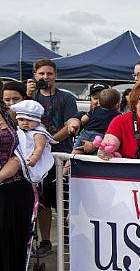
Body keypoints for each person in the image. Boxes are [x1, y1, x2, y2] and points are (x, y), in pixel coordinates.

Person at [27, 59, 78, 255]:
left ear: (55, 75)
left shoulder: (66, 98)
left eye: (49, 74)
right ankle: (46, 240)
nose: (45, 77)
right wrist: (28, 95)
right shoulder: (31, 99)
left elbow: (69, 125)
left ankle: (66, 234)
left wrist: (48, 141)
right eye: (41, 74)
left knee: (64, 200)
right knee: (42, 202)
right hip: (37, 159)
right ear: (35, 75)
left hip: (60, 156)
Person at [0, 99, 34, 271]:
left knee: (10, 251)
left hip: (15, 191)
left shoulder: (8, 112)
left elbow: (27, 143)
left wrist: (16, 161)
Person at [0, 100, 56, 184]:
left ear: (37, 121)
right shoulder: (18, 129)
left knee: (14, 162)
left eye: (29, 120)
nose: (25, 123)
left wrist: (34, 158)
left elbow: (39, 148)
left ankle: (1, 177)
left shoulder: (39, 133)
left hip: (29, 157)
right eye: (21, 120)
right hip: (17, 155)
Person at [73, 89, 121, 154]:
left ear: (99, 102)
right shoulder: (117, 115)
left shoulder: (95, 109)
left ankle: (70, 161)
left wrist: (84, 125)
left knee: (76, 151)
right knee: (96, 155)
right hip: (99, 137)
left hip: (86, 133)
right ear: (117, 105)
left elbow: (83, 119)